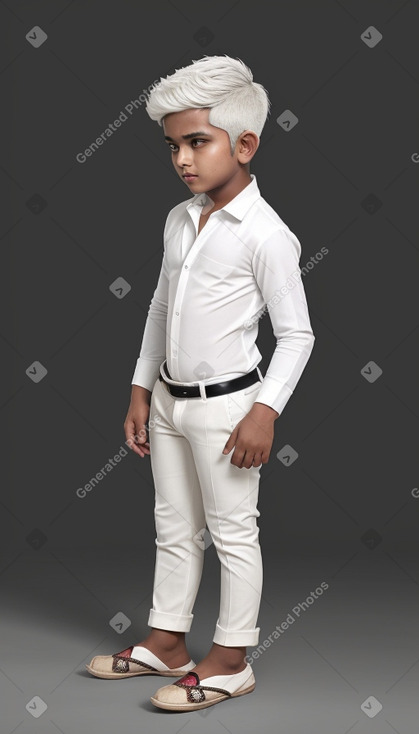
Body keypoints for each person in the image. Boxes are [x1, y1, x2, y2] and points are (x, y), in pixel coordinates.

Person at [86, 54, 315, 712]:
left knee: (233, 529)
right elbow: (161, 306)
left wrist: (264, 412)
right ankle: (167, 641)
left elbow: (296, 335)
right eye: (173, 146)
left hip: (228, 410)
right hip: (167, 401)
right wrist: (139, 387)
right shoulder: (179, 218)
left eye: (197, 142)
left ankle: (232, 659)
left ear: (244, 144)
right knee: (173, 524)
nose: (182, 159)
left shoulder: (267, 236)